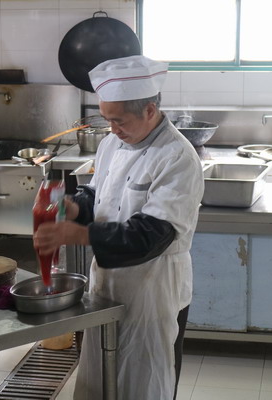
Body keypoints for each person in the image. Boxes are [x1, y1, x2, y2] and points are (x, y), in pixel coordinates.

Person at [33, 55, 204, 400]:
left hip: (154, 287)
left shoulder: (177, 157)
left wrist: (82, 235)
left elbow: (151, 235)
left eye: (119, 120)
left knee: (146, 379)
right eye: (106, 119)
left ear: (150, 111)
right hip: (109, 284)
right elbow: (100, 196)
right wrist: (73, 206)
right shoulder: (112, 144)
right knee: (101, 375)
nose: (112, 129)